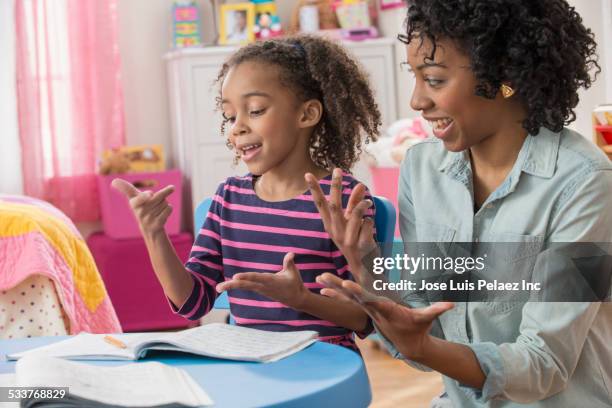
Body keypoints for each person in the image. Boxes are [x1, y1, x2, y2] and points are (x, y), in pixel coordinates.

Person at [311, 0, 612, 406]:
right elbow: (427, 335)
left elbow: (546, 365)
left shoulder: (587, 183)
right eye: (414, 77)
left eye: (434, 80)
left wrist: (422, 347)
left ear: (503, 76)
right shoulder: (421, 169)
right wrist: (366, 265)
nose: (417, 100)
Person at [112, 35, 382, 351]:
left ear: (306, 114)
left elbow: (367, 318)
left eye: (255, 110)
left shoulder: (343, 200)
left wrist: (301, 300)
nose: (236, 127)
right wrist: (154, 235)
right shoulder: (227, 200)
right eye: (230, 115)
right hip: (249, 364)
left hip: (324, 364)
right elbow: (193, 303)